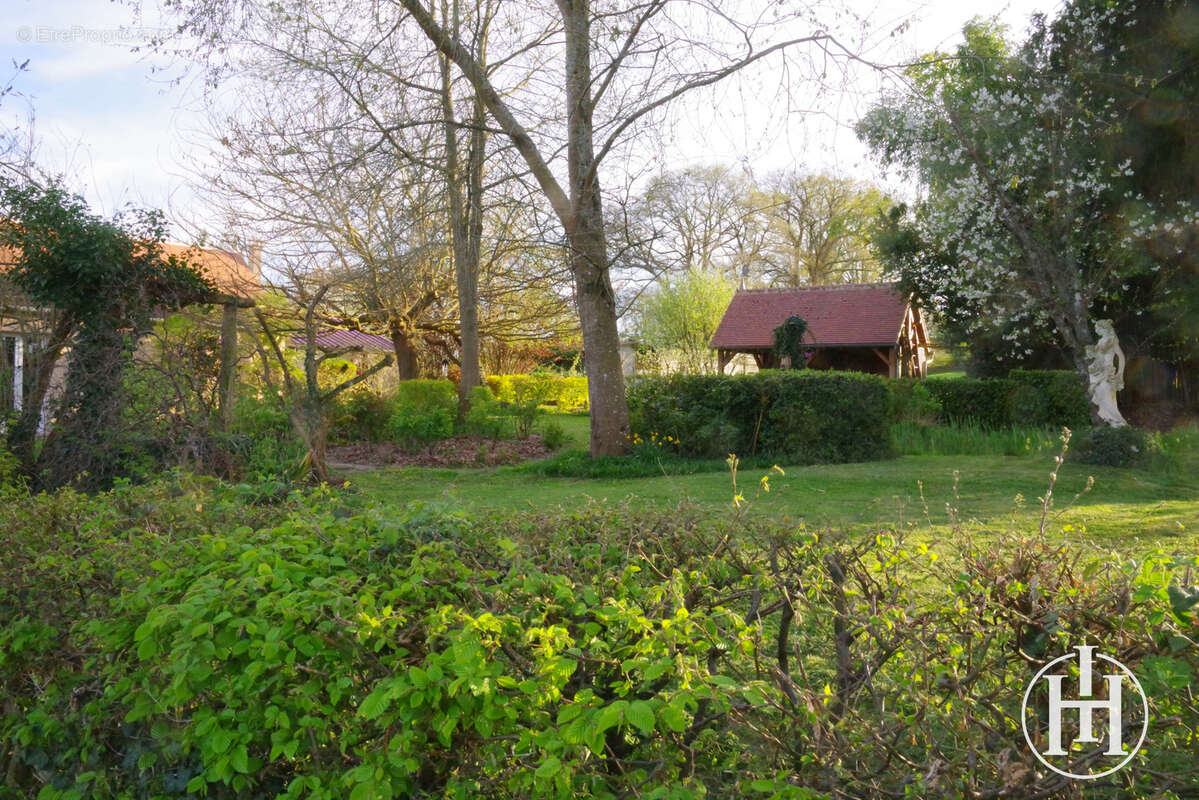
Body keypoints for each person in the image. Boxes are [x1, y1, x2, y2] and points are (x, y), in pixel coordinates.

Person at [1086, 319, 1127, 427]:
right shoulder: (1100, 341)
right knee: (1102, 399)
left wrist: (1120, 373)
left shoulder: (1112, 339)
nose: (1095, 330)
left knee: (1107, 399)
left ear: (1103, 328)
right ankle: (1115, 424)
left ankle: (1121, 424)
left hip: (1107, 373)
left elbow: (1121, 357)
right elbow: (1098, 357)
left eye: (1097, 328)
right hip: (1098, 372)